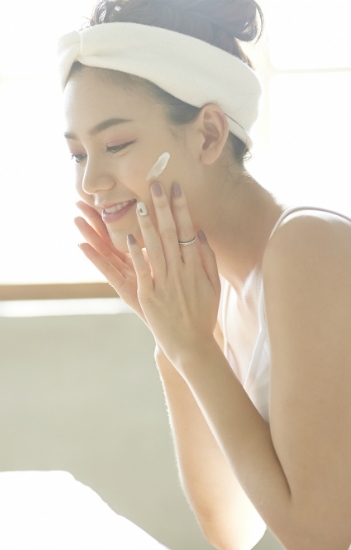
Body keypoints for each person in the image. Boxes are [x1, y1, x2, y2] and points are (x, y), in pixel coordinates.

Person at [60, 1, 351, 548]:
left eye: (116, 145)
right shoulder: (225, 295)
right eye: (77, 154)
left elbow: (323, 537)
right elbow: (233, 528)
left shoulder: (308, 247)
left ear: (209, 135)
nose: (90, 182)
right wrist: (174, 338)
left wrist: (191, 347)